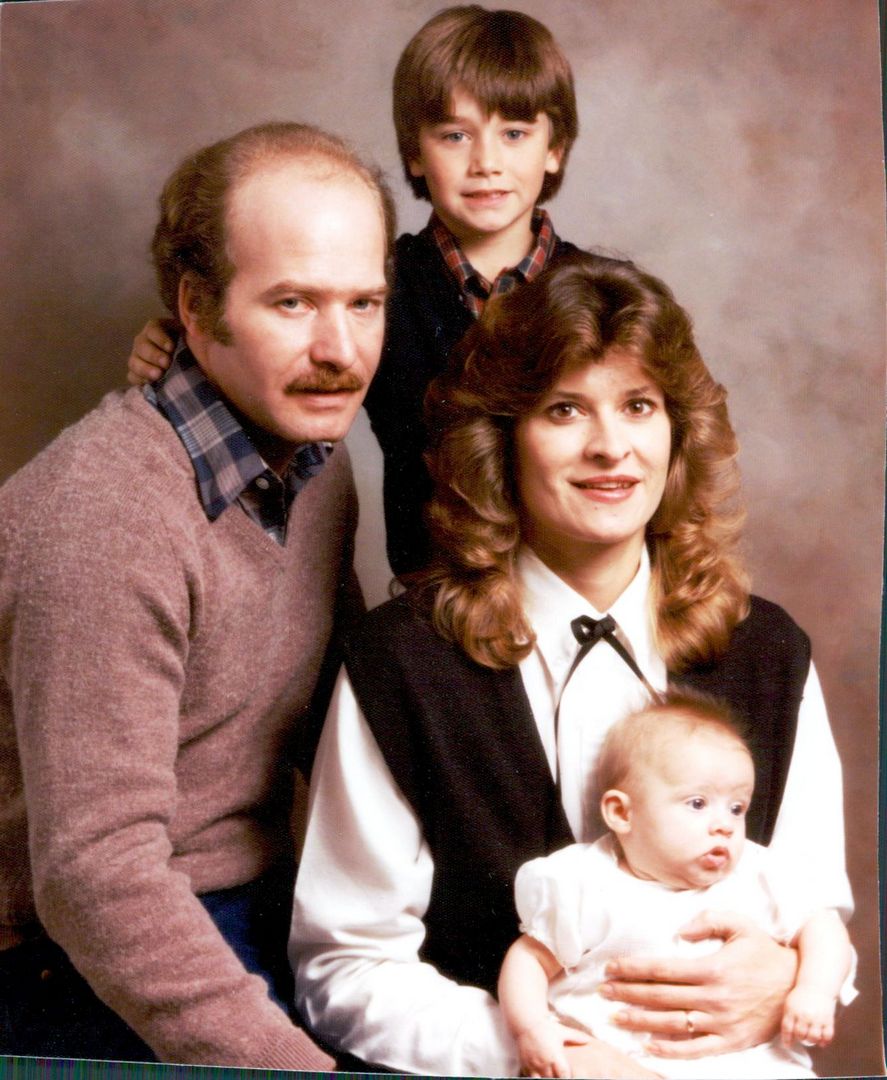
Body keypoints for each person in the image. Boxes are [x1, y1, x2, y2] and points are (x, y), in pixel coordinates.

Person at [289, 252, 853, 1077]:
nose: (610, 448)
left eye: (638, 406)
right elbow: (343, 968)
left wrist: (787, 984)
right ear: (501, 440)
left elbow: (812, 909)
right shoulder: (402, 663)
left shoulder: (766, 651)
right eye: (563, 410)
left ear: (677, 433)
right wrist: (555, 1060)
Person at [0, 121, 394, 1067]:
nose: (340, 349)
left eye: (365, 303)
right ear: (195, 306)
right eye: (293, 303)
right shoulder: (105, 518)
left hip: (262, 901)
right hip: (72, 958)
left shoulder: (314, 462)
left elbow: (338, 716)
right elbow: (95, 878)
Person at [124, 5, 581, 576]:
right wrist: (179, 343)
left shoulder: (606, 292)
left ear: (555, 148)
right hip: (435, 595)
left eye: (514, 133)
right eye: (455, 135)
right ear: (414, 152)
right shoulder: (369, 289)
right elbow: (274, 372)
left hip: (578, 583)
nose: (486, 162)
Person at [498, 690, 854, 1080]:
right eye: (697, 803)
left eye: (737, 808)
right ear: (621, 813)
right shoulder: (586, 882)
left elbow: (824, 928)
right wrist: (531, 1029)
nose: (724, 825)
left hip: (747, 1062)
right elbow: (529, 960)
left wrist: (814, 990)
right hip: (615, 1062)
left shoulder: (755, 874)